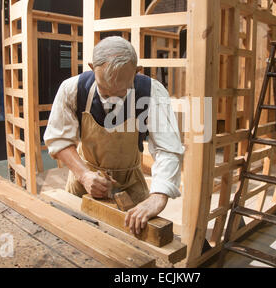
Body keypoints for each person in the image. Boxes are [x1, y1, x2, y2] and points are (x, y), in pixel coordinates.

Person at [44, 36, 184, 235]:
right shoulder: (72, 89)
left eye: (120, 93)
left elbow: (167, 148)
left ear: (136, 72)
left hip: (130, 185)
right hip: (84, 181)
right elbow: (59, 140)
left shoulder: (151, 92)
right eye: (104, 90)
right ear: (93, 67)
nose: (111, 99)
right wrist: (83, 175)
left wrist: (159, 195)